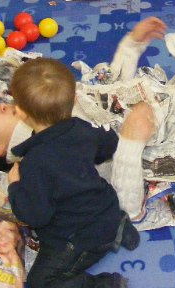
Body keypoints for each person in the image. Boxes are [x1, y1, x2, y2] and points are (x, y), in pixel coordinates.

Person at [0, 17, 167, 219]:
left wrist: (131, 46)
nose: (0, 107)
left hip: (153, 100)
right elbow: (125, 209)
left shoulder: (42, 108)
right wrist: (131, 142)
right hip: (162, 130)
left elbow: (109, 93)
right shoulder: (45, 161)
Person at [7, 57, 138, 288]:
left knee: (40, 283)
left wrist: (15, 187)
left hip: (78, 239)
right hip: (108, 210)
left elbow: (35, 216)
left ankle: (104, 285)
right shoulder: (81, 129)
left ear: (21, 113)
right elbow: (109, 144)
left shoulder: (33, 163)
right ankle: (121, 228)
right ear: (75, 99)